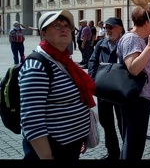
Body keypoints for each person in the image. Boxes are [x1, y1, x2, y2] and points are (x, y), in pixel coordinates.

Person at [19, 10, 96, 160]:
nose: (64, 29)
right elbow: (31, 119)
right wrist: (46, 156)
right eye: (56, 25)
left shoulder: (64, 61)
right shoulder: (37, 65)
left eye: (67, 26)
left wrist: (81, 135)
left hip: (70, 144)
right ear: (43, 33)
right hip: (53, 149)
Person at [116, 6, 150, 160]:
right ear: (148, 22)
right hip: (137, 98)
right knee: (134, 144)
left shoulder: (137, 39)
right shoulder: (132, 38)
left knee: (134, 141)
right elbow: (133, 68)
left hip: (141, 97)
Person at [87, 17, 125, 160]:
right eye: (106, 27)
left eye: (111, 27)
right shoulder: (100, 44)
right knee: (106, 122)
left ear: (120, 28)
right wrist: (92, 80)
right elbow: (92, 61)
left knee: (123, 123)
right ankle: (113, 152)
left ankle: (126, 152)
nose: (107, 30)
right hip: (103, 90)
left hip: (120, 91)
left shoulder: (125, 43)